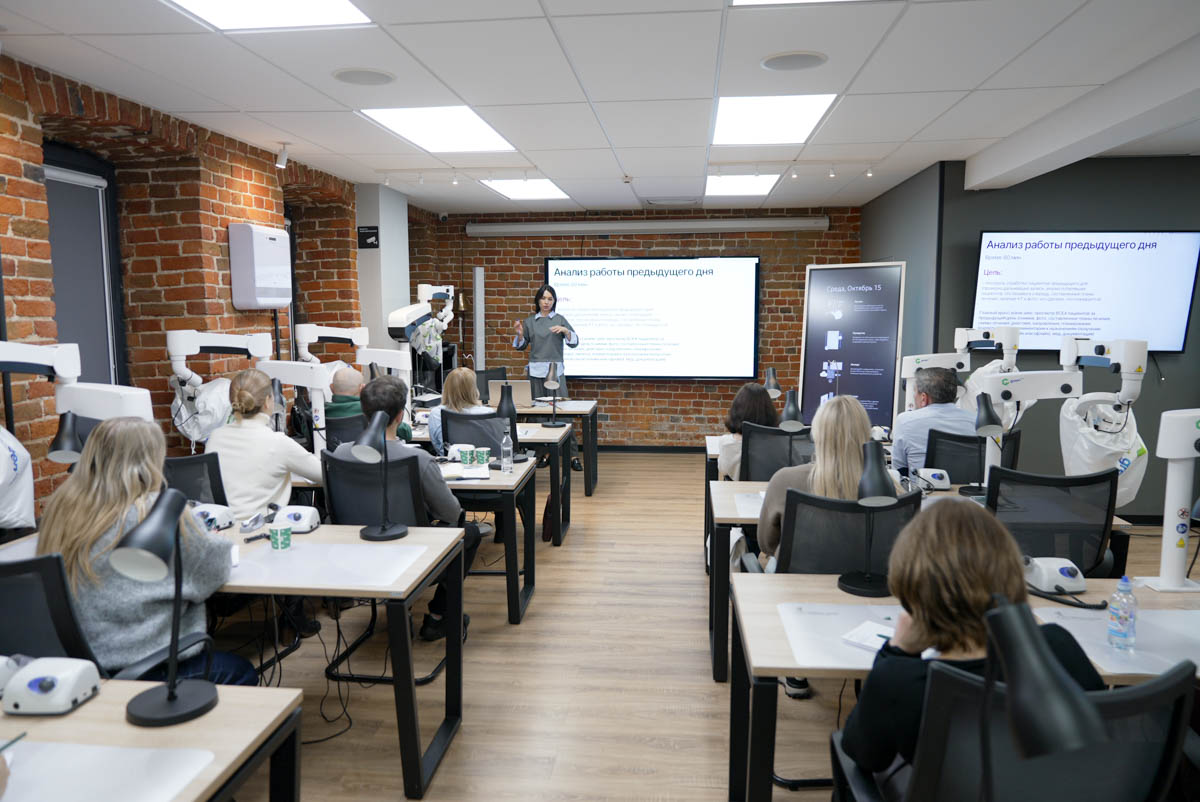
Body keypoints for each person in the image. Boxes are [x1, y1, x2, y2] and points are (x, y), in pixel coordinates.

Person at [839, 499, 1104, 777]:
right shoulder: (1058, 646)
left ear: (913, 593)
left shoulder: (900, 681)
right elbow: (1106, 741)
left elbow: (863, 754)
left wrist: (897, 652)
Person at [36, 417, 258, 685]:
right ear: (150, 461)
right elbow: (213, 572)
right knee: (243, 671)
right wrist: (210, 539)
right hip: (148, 664)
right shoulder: (158, 512)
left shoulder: (60, 508)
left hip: (80, 666)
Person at [332, 375, 482, 641]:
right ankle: (438, 616)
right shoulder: (418, 459)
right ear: (401, 416)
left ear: (363, 410)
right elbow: (451, 514)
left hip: (353, 556)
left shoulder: (340, 453)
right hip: (411, 557)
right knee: (469, 532)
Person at [757, 395, 872, 560]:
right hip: (864, 576)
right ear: (866, 434)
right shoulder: (890, 489)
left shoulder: (784, 481)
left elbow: (766, 544)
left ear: (817, 435)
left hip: (795, 575)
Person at [205, 368, 323, 521]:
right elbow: (323, 474)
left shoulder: (215, 437)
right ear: (268, 401)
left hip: (223, 528)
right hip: (264, 529)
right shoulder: (278, 443)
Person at [512, 284, 583, 471]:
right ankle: (543, 453)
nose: (546, 302)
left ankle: (572, 455)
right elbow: (520, 346)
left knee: (563, 412)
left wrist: (565, 331)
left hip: (555, 372)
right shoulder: (530, 321)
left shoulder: (559, 319)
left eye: (550, 299)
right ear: (538, 300)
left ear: (554, 301)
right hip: (535, 372)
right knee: (538, 415)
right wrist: (519, 334)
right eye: (543, 298)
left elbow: (575, 342)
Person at [890, 366, 975, 476]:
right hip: (964, 487)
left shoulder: (905, 421)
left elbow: (899, 471)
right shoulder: (976, 421)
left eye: (915, 393)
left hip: (923, 487)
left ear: (923, 398)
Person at [327, 365, 413, 443]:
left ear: (331, 388)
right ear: (362, 388)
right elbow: (406, 433)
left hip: (333, 455)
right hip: (368, 453)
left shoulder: (321, 412)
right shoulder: (370, 408)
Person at [715, 382, 780, 480]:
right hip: (772, 489)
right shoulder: (781, 443)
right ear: (769, 410)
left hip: (740, 490)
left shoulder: (727, 443)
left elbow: (723, 470)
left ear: (736, 409)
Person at [428, 367, 494, 456]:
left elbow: (437, 446)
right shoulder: (488, 412)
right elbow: (494, 442)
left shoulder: (436, 413)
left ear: (447, 387)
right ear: (473, 389)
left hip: (450, 462)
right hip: (482, 461)